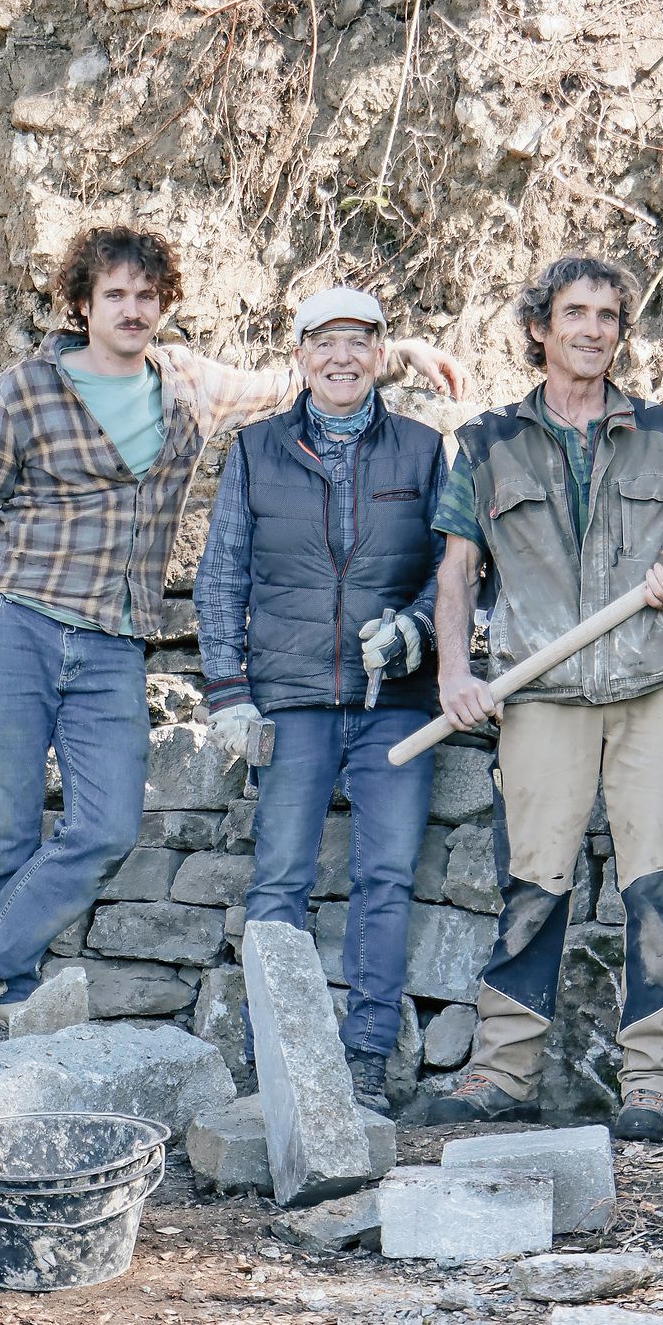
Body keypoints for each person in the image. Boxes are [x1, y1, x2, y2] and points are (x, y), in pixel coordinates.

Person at [0, 225, 463, 1047]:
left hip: (114, 640)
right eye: (114, 295)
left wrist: (396, 351)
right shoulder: (25, 390)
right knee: (3, 832)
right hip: (10, 622)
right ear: (83, 304)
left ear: (164, 305)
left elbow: (293, 379)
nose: (132, 309)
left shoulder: (188, 382)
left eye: (146, 296)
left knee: (108, 826)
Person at [420, 255, 663, 1143]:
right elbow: (458, 571)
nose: (593, 330)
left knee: (655, 887)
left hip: (652, 689)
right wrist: (453, 674)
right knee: (534, 885)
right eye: (575, 313)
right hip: (540, 691)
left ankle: (656, 1084)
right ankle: (502, 1072)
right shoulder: (487, 443)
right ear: (541, 328)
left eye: (609, 316)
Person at [194, 286, 447, 1114]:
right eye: (324, 342)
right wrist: (229, 689)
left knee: (385, 876)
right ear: (299, 354)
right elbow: (223, 573)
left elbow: (456, 570)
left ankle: (368, 1061)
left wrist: (416, 629)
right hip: (293, 696)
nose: (342, 357)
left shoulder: (421, 449)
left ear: (381, 353)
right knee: (278, 881)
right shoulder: (257, 448)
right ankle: (282, 1057)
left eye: (360, 341)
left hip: (395, 701)